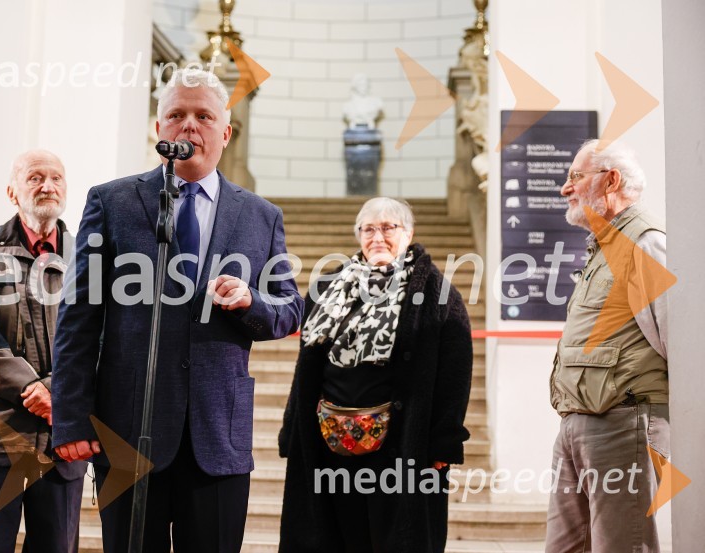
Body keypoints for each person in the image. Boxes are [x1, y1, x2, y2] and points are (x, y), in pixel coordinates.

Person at [50, 68, 303, 553]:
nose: (190, 125)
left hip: (217, 436)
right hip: (128, 432)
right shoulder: (112, 202)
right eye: (176, 115)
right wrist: (71, 418)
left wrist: (250, 301)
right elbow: (78, 318)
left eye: (204, 115)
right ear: (158, 129)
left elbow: (290, 310)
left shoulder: (260, 216)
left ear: (225, 133)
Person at [278, 197, 473, 552]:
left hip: (399, 445)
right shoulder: (328, 286)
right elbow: (307, 366)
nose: (377, 237)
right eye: (368, 229)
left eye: (388, 227)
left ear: (409, 233)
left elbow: (455, 374)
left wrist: (444, 441)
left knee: (392, 537)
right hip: (330, 440)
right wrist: (293, 426)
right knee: (333, 535)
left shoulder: (437, 293)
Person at [0, 149, 87, 552]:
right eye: (35, 177)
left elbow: (97, 339)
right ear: (12, 191)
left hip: (60, 437)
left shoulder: (89, 256)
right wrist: (38, 390)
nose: (48, 186)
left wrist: (57, 392)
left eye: (57, 178)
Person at [546, 139, 669, 552]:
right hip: (579, 420)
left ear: (611, 179)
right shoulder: (604, 246)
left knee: (622, 545)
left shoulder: (644, 243)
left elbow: (679, 342)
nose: (566, 188)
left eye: (575, 177)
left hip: (623, 421)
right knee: (565, 546)